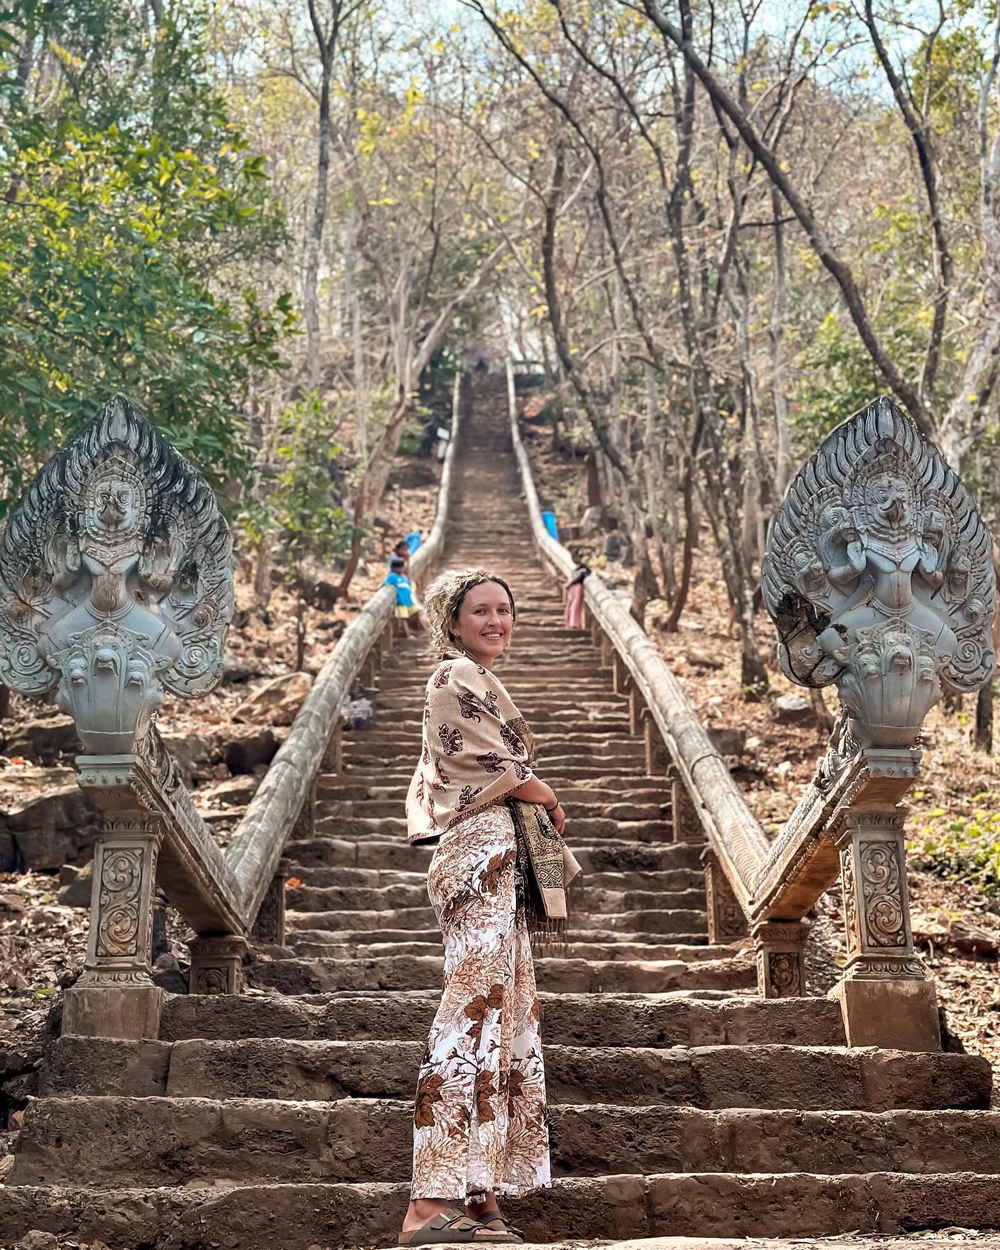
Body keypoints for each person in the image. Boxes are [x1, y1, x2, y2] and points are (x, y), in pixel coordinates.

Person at [399, 568, 564, 1246]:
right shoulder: (450, 679)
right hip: (478, 857)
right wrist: (544, 791)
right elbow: (487, 767)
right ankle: (426, 1201)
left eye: (505, 610)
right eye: (481, 611)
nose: (496, 620)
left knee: (504, 1019)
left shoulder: (479, 680)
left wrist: (535, 798)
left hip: (503, 859)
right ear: (453, 621)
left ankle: (478, 1193)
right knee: (467, 1017)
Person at [385, 557, 428, 634]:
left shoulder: (402, 577)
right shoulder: (392, 577)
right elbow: (385, 584)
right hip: (401, 602)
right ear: (395, 568)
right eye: (401, 568)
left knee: (416, 613)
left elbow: (409, 583)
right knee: (403, 618)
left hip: (409, 600)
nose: (403, 570)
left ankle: (422, 631)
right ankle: (408, 634)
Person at [564, 553, 590, 630]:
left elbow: (580, 577)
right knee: (571, 605)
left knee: (576, 605)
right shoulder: (576, 568)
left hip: (578, 587)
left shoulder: (583, 568)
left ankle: (574, 624)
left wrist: (570, 583)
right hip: (573, 588)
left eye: (575, 557)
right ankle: (570, 623)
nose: (574, 560)